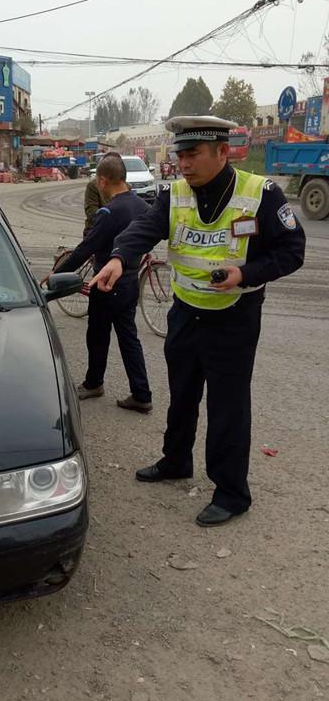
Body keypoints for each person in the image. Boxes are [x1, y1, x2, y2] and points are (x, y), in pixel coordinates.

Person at [90, 116, 306, 526]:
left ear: (222, 152)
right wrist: (119, 257)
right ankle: (176, 460)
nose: (183, 164)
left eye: (193, 155)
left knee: (228, 406)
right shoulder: (175, 195)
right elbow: (144, 228)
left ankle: (231, 493)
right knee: (182, 392)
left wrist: (247, 274)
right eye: (180, 155)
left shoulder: (261, 194)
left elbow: (292, 250)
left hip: (234, 318)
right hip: (186, 313)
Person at [43, 152, 153, 411]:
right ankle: (142, 394)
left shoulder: (109, 212)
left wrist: (57, 272)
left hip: (106, 283)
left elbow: (85, 249)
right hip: (130, 282)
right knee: (129, 338)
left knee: (97, 335)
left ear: (103, 181)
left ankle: (94, 383)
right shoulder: (143, 207)